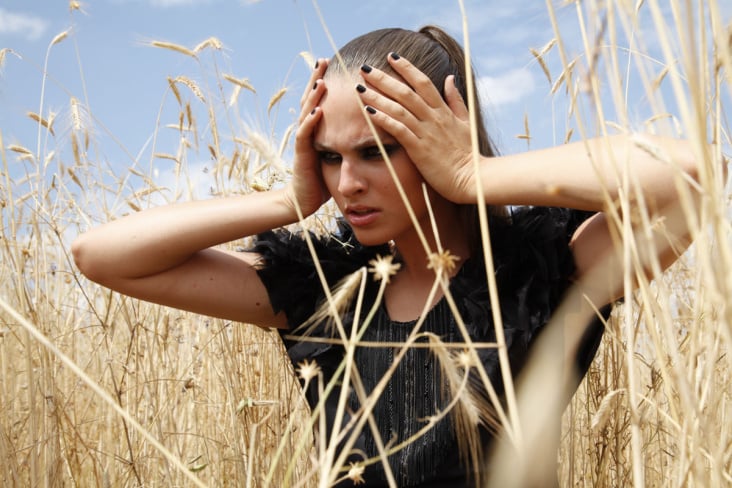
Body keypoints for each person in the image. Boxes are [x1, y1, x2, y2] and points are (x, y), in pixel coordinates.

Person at [72, 25, 699, 487]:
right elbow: (100, 255)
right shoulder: (324, 288)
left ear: (435, 136)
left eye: (376, 152)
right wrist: (286, 200)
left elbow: (696, 179)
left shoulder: (543, 275)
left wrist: (470, 173)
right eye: (329, 157)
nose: (347, 184)